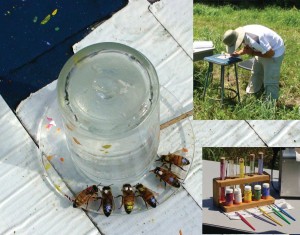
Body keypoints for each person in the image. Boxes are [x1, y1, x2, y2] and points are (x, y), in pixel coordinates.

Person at [222, 25, 285, 100]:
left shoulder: (255, 39)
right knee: (256, 72)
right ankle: (252, 94)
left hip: (275, 52)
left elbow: (270, 54)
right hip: (262, 49)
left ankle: (271, 103)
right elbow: (247, 47)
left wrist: (252, 53)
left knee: (270, 80)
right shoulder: (242, 35)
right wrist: (238, 53)